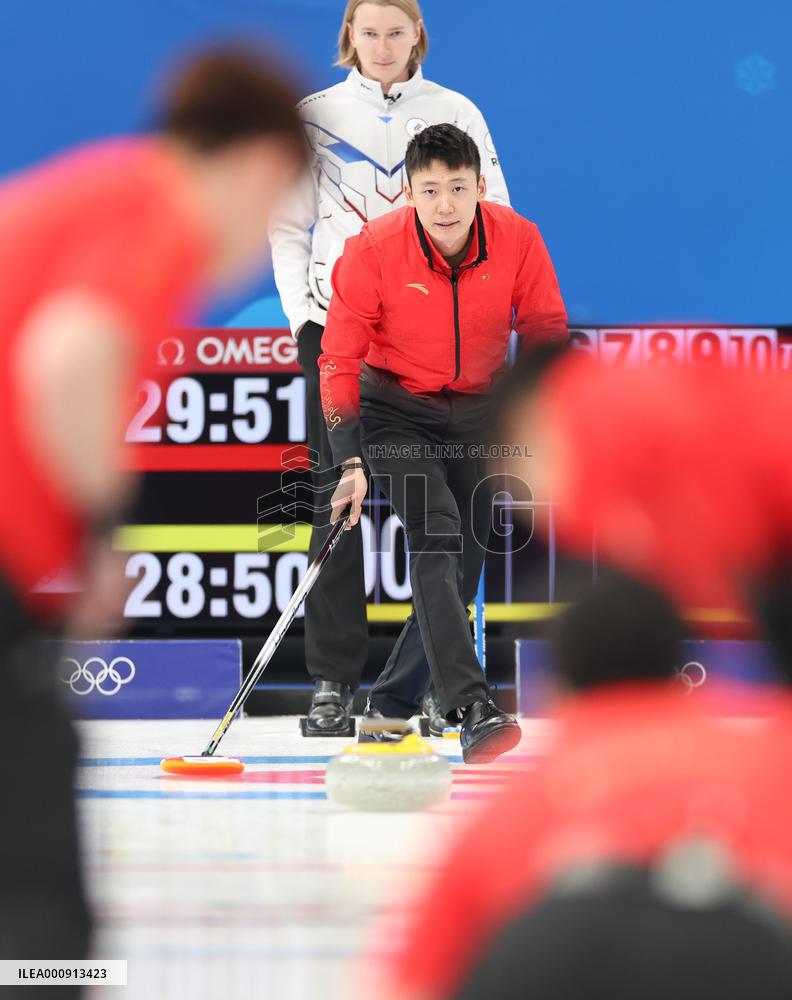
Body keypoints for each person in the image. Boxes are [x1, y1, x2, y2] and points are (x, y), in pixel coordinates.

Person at [0, 47, 305, 975]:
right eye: (278, 214)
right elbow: (66, 353)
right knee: (39, 866)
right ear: (259, 164)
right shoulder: (154, 210)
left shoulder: (85, 193)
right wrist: (108, 528)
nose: (261, 245)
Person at [371, 571, 792, 1000]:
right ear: (682, 668)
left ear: (557, 684)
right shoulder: (773, 770)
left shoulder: (514, 816)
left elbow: (415, 983)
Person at [269, 0, 510, 737]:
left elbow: (495, 211)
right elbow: (286, 223)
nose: (381, 45)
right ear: (349, 37)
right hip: (336, 333)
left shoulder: (455, 110)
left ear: (417, 37)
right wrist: (302, 319)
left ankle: (422, 682)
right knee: (333, 500)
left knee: (456, 519)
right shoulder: (312, 114)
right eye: (367, 32)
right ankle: (334, 683)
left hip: (433, 342)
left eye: (395, 31)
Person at [318, 123, 567, 762]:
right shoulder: (371, 250)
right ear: (409, 192)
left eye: (458, 188)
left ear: (481, 187)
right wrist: (349, 457)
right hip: (395, 408)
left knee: (464, 563)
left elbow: (543, 329)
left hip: (482, 410)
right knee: (436, 529)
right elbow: (338, 360)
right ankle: (472, 705)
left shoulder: (519, 239)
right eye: (430, 190)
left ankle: (389, 706)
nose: (446, 206)